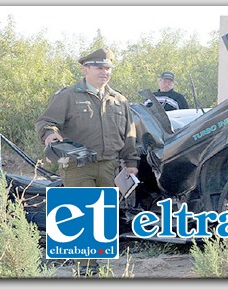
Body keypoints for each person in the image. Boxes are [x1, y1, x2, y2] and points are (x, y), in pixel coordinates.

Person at [35, 47, 139, 276]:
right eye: (99, 67)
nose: (105, 72)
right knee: (82, 212)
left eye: (108, 68)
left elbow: (129, 135)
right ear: (85, 69)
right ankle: (85, 269)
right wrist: (51, 135)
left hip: (109, 165)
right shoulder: (69, 96)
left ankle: (96, 263)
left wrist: (131, 162)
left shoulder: (119, 100)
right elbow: (45, 122)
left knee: (103, 214)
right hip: (77, 166)